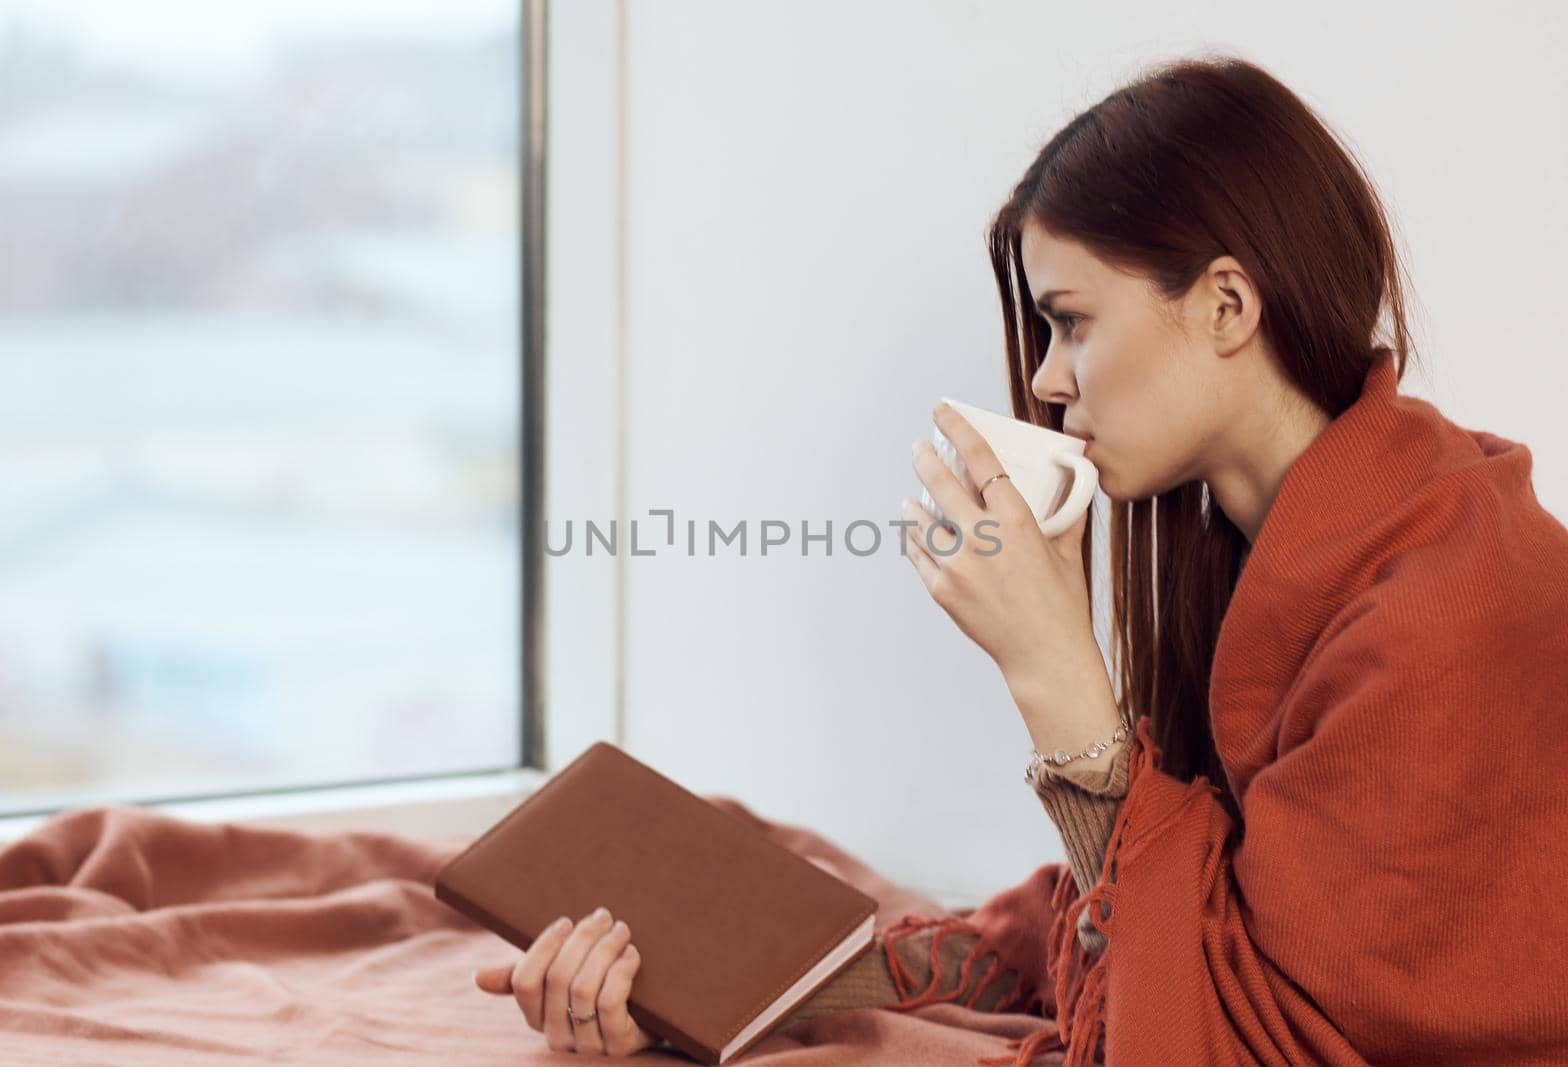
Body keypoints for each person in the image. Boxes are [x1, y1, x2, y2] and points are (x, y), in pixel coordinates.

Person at [476, 50, 1568, 1066]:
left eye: (1072, 321)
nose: (1045, 378)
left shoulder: (1444, 608)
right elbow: (1143, 906)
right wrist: (712, 989)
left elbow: (1238, 1028)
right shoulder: (1262, 545)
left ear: (1227, 305)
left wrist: (1058, 676)